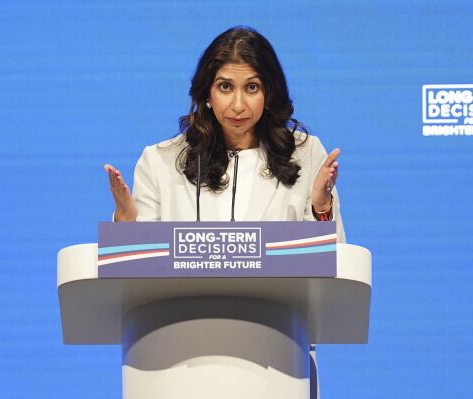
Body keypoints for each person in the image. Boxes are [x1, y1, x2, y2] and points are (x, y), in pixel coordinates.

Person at [103, 26, 343, 397]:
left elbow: (334, 266)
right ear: (206, 94)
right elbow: (134, 277)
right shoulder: (161, 161)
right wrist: (126, 223)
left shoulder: (306, 154)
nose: (238, 105)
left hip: (278, 362)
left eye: (252, 87)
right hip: (174, 363)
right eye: (225, 86)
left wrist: (320, 209)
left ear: (270, 92)